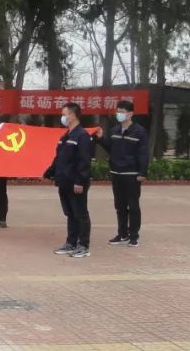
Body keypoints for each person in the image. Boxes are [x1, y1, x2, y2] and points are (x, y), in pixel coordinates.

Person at [95, 99, 149, 247]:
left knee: (133, 206)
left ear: (130, 114)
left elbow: (143, 153)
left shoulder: (139, 131)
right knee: (119, 206)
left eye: (122, 112)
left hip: (131, 174)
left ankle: (134, 236)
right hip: (116, 172)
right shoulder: (115, 130)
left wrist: (142, 172)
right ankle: (122, 234)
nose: (119, 114)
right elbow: (110, 148)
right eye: (118, 111)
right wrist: (101, 138)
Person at [44, 103, 95, 258]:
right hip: (64, 181)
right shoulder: (65, 136)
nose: (63, 117)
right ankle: (71, 243)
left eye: (64, 114)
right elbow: (59, 158)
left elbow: (84, 161)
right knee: (71, 213)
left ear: (73, 116)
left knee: (80, 213)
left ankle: (83, 245)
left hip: (76, 182)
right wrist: (50, 172)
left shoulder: (82, 136)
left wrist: (80, 181)